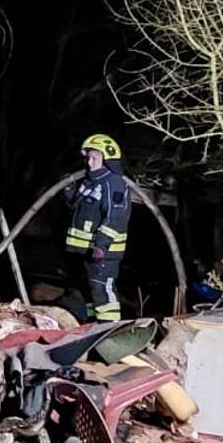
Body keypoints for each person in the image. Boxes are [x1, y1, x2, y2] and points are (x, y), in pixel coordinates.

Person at [64, 133, 131, 322]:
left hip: (104, 253)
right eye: (88, 158)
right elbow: (76, 206)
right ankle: (93, 325)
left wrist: (102, 244)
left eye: (94, 158)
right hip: (84, 251)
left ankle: (109, 329)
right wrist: (68, 189)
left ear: (107, 159)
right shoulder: (89, 182)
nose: (89, 162)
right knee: (88, 291)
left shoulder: (114, 184)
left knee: (102, 289)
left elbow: (116, 217)